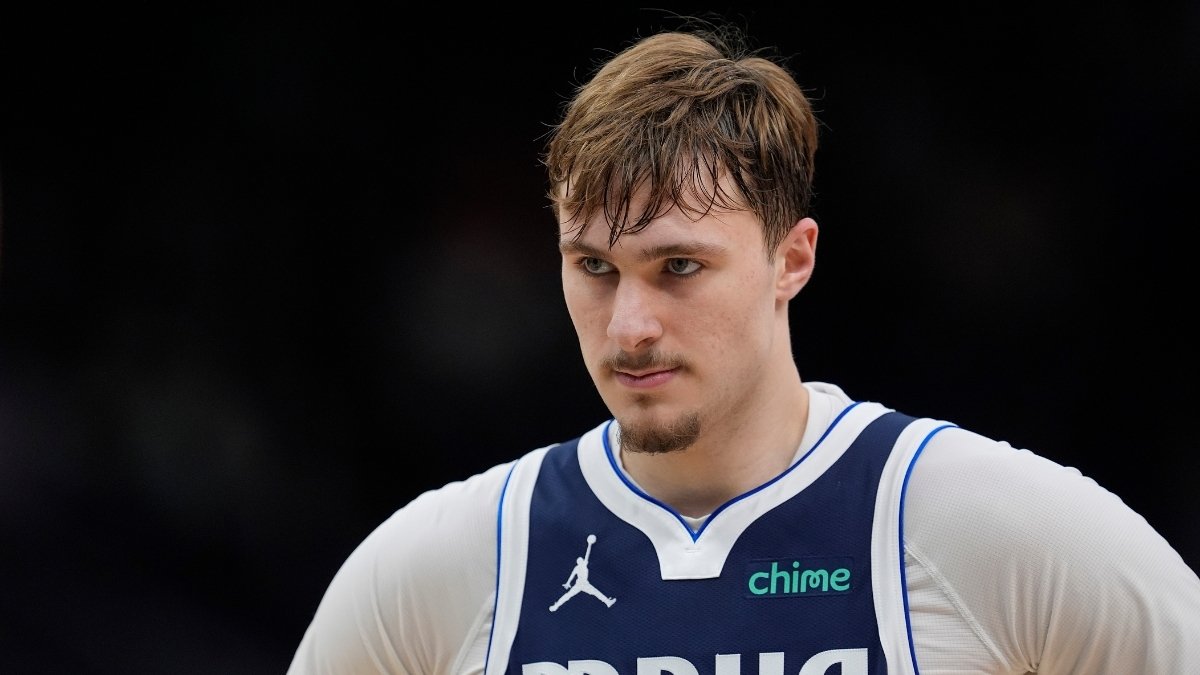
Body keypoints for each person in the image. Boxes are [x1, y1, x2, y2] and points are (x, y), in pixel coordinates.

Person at [288, 29, 1200, 675]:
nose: (630, 323)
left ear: (790, 259)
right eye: (594, 267)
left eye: (678, 265)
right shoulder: (446, 562)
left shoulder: (978, 523)